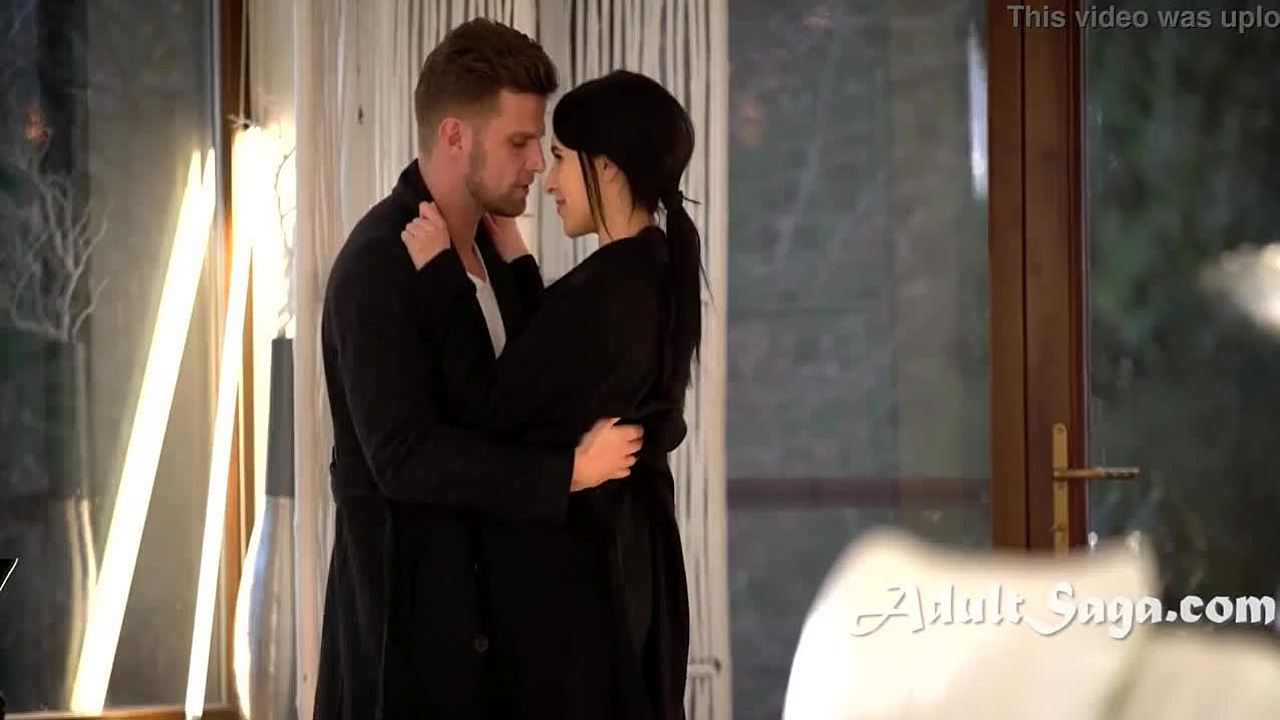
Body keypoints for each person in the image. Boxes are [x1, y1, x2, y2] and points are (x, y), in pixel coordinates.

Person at [314, 20, 644, 720]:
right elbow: (404, 458)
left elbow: (520, 401)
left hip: (504, 650)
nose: (538, 164)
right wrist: (566, 473)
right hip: (412, 655)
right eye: (520, 142)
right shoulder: (377, 267)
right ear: (455, 136)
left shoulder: (496, 252)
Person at [399, 69, 701, 720]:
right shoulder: (644, 270)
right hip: (623, 566)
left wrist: (441, 277)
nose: (549, 179)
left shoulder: (612, 291)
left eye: (561, 158)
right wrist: (518, 264)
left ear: (607, 167)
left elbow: (489, 407)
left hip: (584, 589)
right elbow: (555, 368)